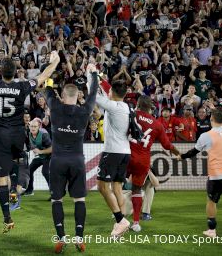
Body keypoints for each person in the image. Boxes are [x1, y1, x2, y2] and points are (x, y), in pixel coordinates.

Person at [0, 37, 60, 233]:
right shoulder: (22, 86)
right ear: (16, 72)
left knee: (1, 178)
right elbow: (43, 77)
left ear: (0, 72)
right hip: (18, 134)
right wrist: (56, 61)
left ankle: (7, 218)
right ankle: (14, 189)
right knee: (19, 160)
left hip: (0, 136)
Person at [46, 68, 99, 253]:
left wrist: (52, 66)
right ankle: (79, 237)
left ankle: (61, 238)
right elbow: (93, 93)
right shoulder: (85, 110)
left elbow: (47, 87)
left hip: (58, 160)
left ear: (62, 95)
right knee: (79, 200)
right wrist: (93, 74)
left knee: (56, 200)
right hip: (77, 160)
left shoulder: (54, 107)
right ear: (78, 96)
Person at [126, 95, 180, 232]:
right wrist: (178, 153)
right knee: (137, 190)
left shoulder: (130, 114)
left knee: (115, 184)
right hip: (142, 160)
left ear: (137, 104)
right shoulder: (157, 124)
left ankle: (118, 217)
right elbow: (167, 145)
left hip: (125, 155)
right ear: (150, 108)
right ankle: (136, 223)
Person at [180, 106, 222, 238]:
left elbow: (193, 152)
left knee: (211, 201)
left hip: (216, 177)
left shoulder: (206, 136)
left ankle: (212, 230)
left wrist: (181, 157)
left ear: (211, 118)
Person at [95, 78, 131, 238]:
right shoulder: (125, 106)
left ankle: (120, 220)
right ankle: (120, 222)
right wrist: (100, 79)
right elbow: (106, 91)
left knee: (102, 187)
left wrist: (91, 75)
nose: (107, 92)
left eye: (109, 91)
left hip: (112, 152)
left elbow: (93, 96)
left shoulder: (113, 106)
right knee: (117, 188)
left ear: (113, 93)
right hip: (125, 152)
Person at [25, 118, 52, 196]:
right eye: (32, 126)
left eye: (35, 126)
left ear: (39, 127)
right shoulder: (28, 132)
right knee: (29, 170)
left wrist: (40, 151)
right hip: (40, 156)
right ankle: (30, 190)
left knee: (45, 172)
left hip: (49, 156)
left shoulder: (44, 135)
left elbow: (52, 149)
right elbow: (30, 144)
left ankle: (54, 193)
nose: (33, 128)